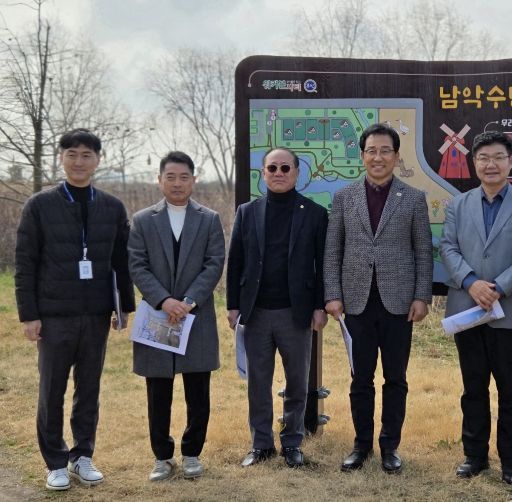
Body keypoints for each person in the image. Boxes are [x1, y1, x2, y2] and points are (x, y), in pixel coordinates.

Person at [14, 128, 135, 491]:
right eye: (72, 154)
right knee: (52, 389)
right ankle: (55, 462)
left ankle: (82, 455)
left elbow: (121, 261)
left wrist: (124, 307)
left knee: (89, 388)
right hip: (54, 315)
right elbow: (25, 263)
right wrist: (29, 315)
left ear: (98, 160)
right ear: (61, 158)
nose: (79, 162)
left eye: (86, 155)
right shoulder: (39, 205)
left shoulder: (112, 207)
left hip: (95, 313)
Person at [324, 123, 432, 474]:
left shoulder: (413, 198)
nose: (378, 157)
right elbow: (332, 250)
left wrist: (422, 296)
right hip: (355, 302)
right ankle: (361, 445)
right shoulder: (344, 197)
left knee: (396, 379)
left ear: (396, 156)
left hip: (399, 304)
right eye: (371, 150)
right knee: (360, 379)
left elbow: (423, 251)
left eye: (385, 151)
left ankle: (389, 446)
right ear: (362, 155)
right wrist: (332, 294)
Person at [440, 130, 512, 484]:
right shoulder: (458, 205)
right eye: (483, 158)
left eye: (499, 157)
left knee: (511, 391)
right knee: (473, 388)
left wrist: (498, 287)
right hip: (467, 308)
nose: (491, 164)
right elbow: (448, 248)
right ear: (474, 163)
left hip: (510, 311)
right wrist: (472, 282)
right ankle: (475, 456)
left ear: (510, 161)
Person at [226, 147, 328, 468]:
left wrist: (319, 306)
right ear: (263, 173)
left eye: (285, 168)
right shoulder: (247, 212)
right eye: (272, 168)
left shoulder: (315, 213)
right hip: (256, 311)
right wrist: (232, 305)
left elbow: (322, 266)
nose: (279, 173)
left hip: (296, 313)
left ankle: (292, 443)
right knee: (258, 382)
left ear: (297, 172)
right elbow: (235, 261)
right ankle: (261, 445)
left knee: (297, 382)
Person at [128, 151, 225, 481]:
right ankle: (162, 456)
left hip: (195, 316)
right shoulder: (143, 220)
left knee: (198, 390)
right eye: (170, 177)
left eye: (184, 177)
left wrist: (187, 301)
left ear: (194, 180)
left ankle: (192, 453)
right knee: (158, 391)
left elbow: (214, 263)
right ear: (159, 180)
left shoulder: (209, 219)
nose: (177, 183)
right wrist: (164, 300)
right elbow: (137, 265)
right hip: (158, 315)